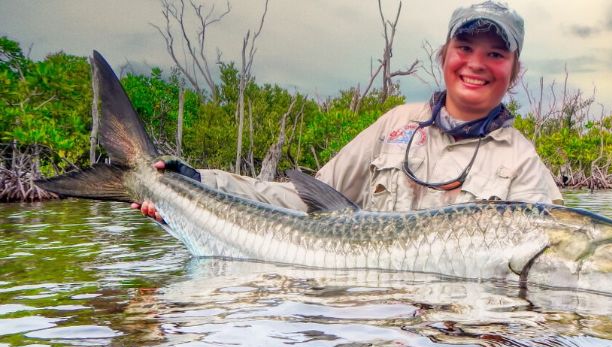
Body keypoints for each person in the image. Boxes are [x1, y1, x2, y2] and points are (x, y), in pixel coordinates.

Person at [133, 1, 562, 222]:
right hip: (372, 338)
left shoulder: (523, 164)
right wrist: (199, 183)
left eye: (495, 53)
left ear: (515, 69)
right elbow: (300, 199)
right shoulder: (396, 125)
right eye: (464, 48)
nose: (475, 64)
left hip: (453, 342)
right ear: (443, 55)